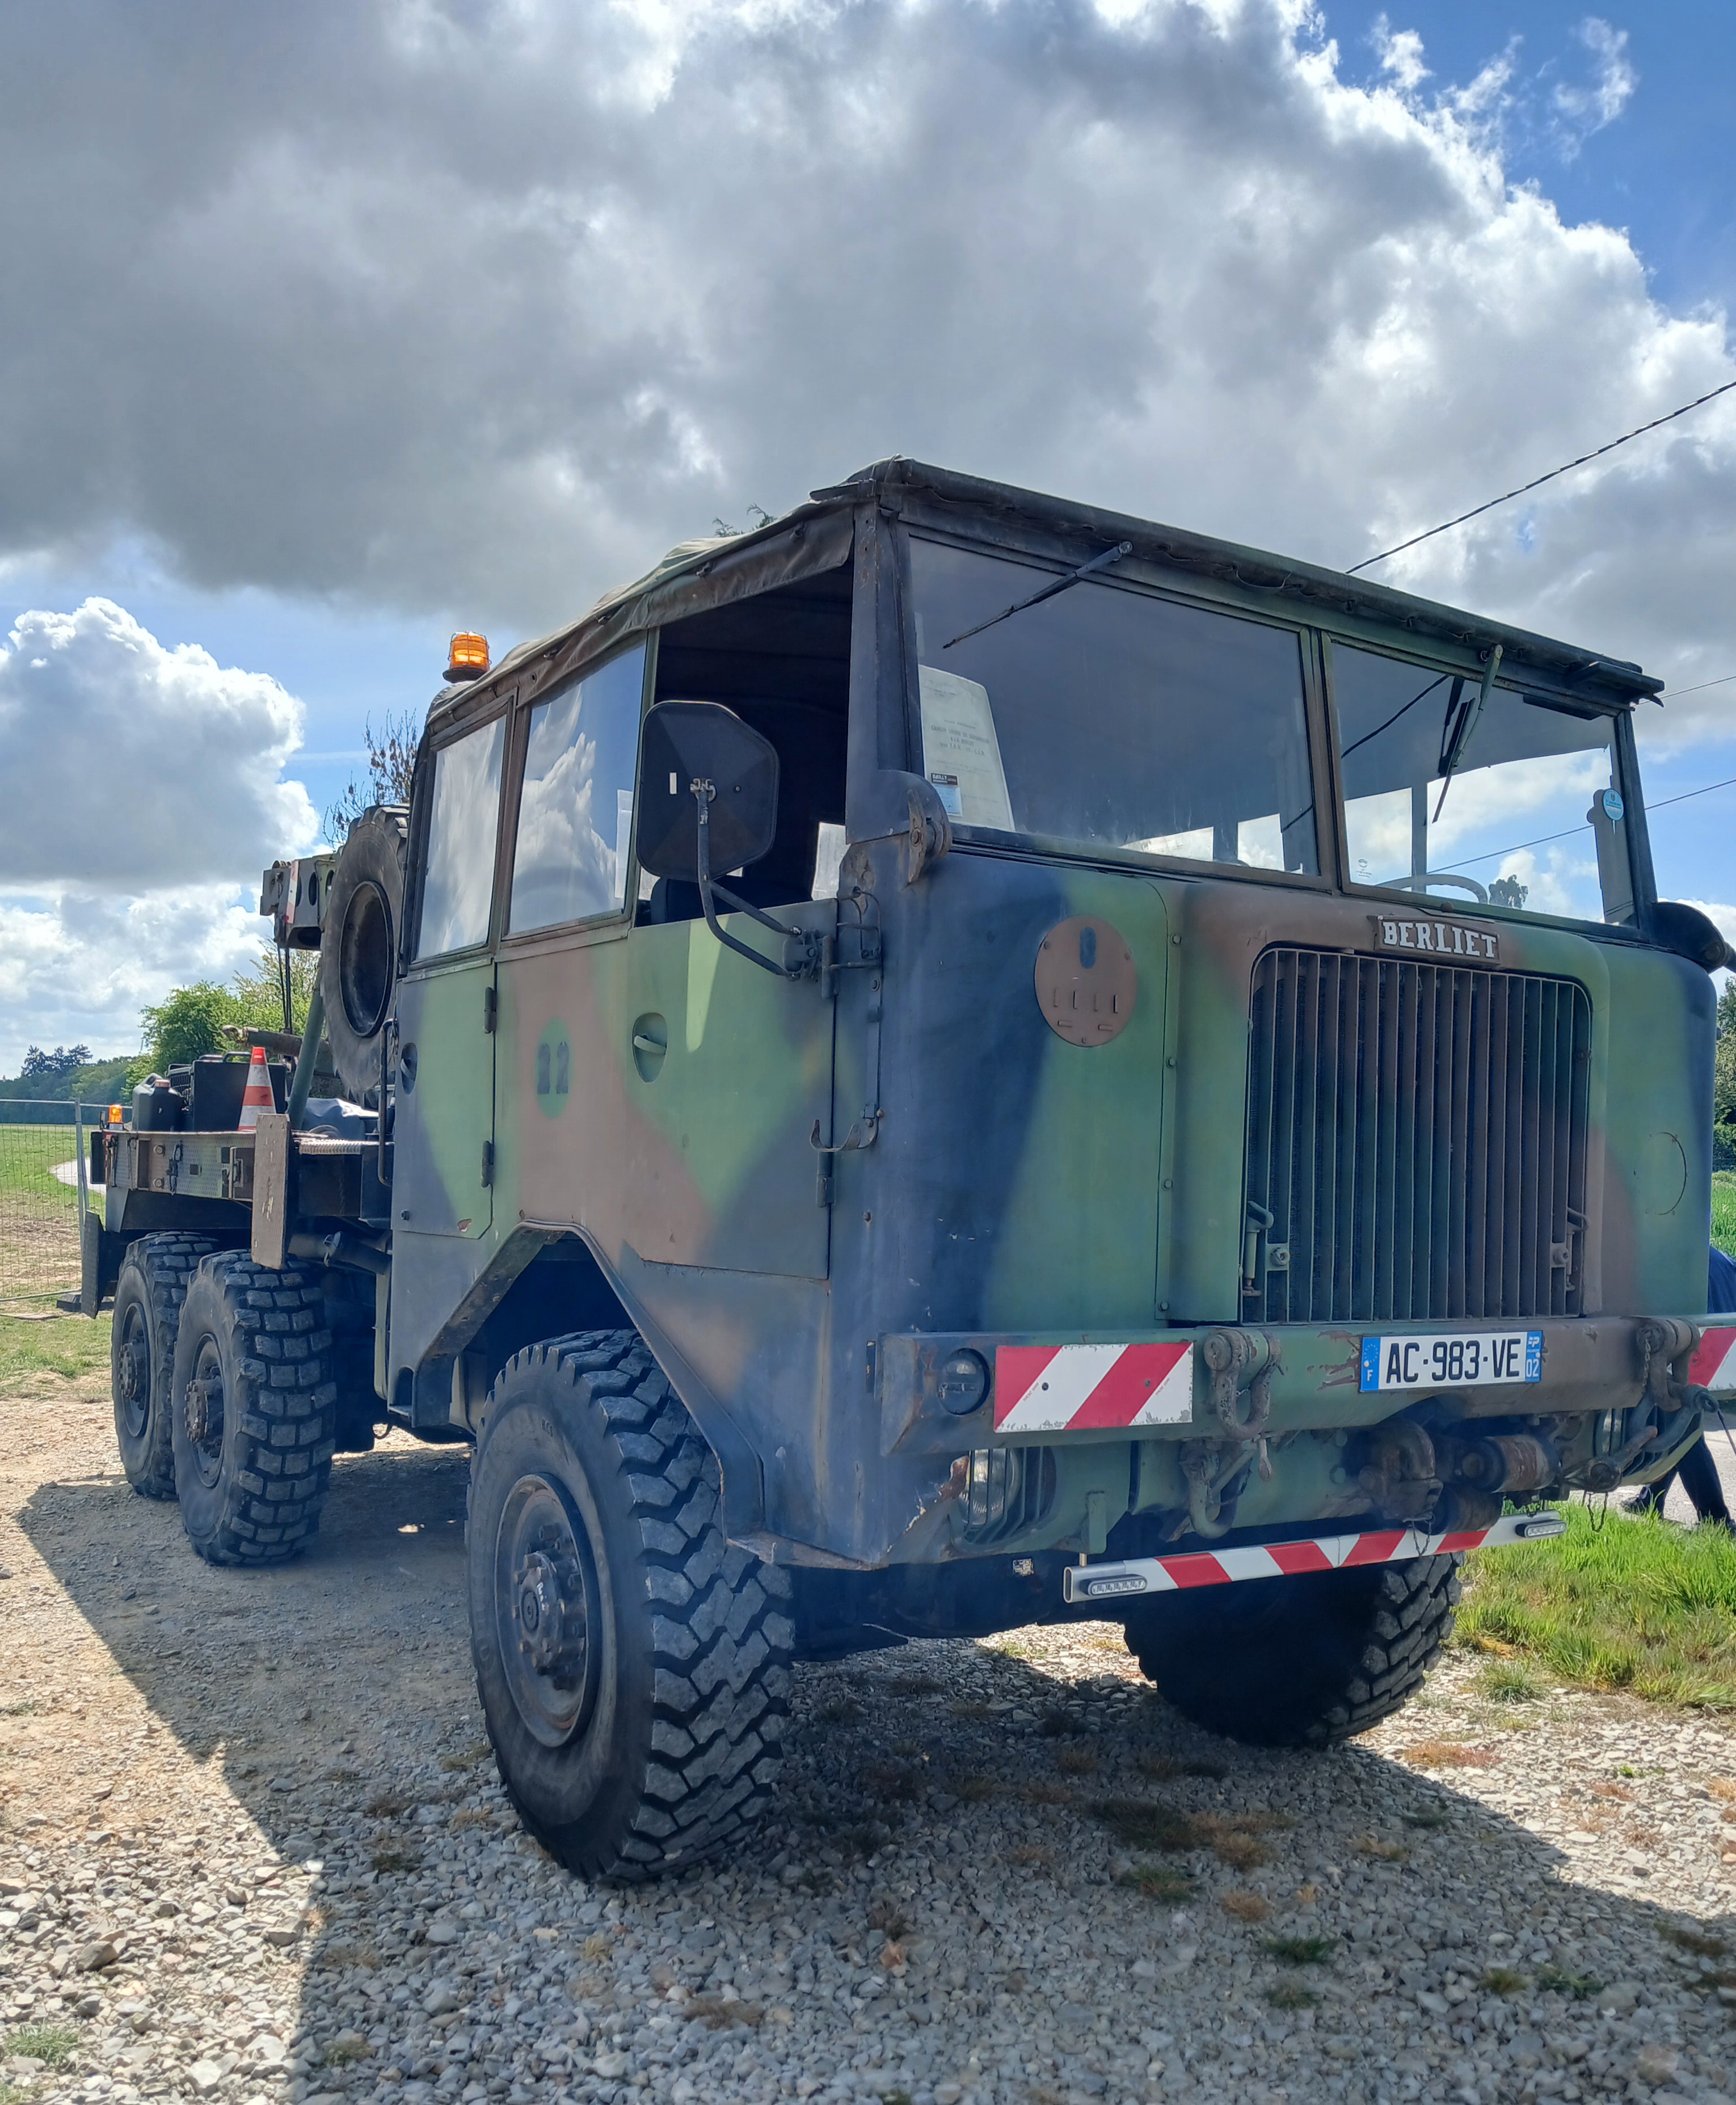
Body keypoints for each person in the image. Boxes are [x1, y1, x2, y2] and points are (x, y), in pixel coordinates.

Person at [1623, 1245, 1736, 1527]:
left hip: (1693, 1347)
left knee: (1682, 1426)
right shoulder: (1719, 1258)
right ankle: (1652, 1498)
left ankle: (1716, 1519)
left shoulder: (1674, 1259)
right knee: (1676, 1421)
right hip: (1724, 1343)